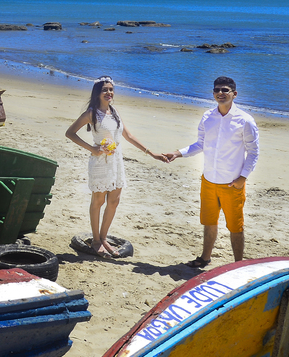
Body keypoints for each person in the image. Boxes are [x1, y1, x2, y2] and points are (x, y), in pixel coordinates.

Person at [65, 76, 166, 259]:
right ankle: (96, 240)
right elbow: (70, 133)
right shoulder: (91, 113)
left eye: (111, 89)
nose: (109, 92)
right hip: (100, 162)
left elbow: (128, 136)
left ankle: (104, 238)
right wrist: (92, 149)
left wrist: (151, 153)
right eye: (105, 89)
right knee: (98, 201)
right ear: (97, 93)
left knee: (114, 201)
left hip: (116, 161)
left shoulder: (114, 111)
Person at [164, 76, 259, 268]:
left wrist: (243, 178)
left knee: (235, 227)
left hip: (232, 183)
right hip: (208, 180)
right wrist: (178, 153)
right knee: (209, 222)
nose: (220, 93)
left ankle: (238, 265)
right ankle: (204, 258)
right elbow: (200, 144)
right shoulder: (207, 117)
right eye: (217, 90)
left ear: (234, 94)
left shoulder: (245, 120)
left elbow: (253, 152)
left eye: (225, 90)